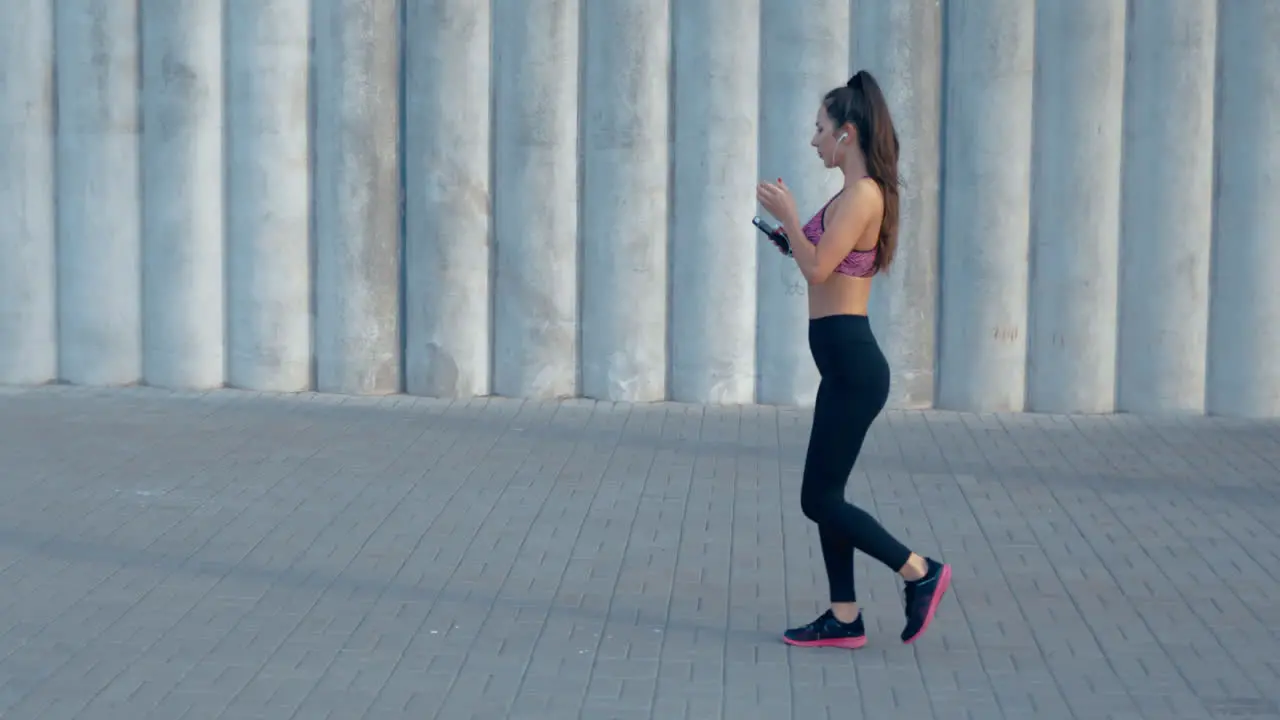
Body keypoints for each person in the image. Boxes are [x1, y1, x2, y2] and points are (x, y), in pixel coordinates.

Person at [756, 70, 951, 649]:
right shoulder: (852, 193)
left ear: (847, 133)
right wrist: (791, 237)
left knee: (818, 498)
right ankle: (844, 617)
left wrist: (790, 215)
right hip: (841, 367)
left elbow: (819, 270)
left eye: (820, 130)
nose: (813, 140)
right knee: (827, 495)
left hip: (855, 367)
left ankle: (920, 571)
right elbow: (820, 260)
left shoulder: (864, 195)